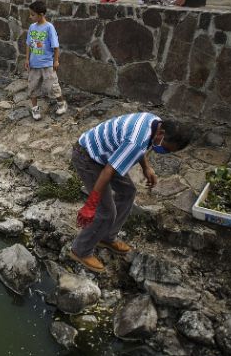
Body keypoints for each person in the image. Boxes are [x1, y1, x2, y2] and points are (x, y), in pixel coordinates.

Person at [68, 112, 193, 273]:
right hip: (88, 156)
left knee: (127, 191)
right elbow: (108, 171)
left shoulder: (154, 122)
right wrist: (90, 204)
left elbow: (141, 147)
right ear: (161, 134)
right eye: (166, 149)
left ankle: (107, 237)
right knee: (106, 211)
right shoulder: (137, 140)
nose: (164, 152)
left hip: (108, 154)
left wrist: (146, 167)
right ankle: (80, 251)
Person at [25, 0, 68, 120]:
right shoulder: (32, 27)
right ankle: (35, 109)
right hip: (34, 64)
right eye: (30, 14)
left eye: (33, 14)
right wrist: (27, 59)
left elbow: (56, 46)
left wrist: (56, 61)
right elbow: (28, 44)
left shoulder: (49, 28)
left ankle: (61, 103)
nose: (30, 17)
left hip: (47, 64)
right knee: (32, 87)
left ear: (41, 14)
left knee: (52, 86)